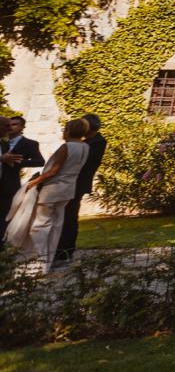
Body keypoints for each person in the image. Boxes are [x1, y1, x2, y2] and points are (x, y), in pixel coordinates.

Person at [6, 117, 90, 273]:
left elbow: (53, 170)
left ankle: (37, 262)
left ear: (69, 130)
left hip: (53, 189)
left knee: (39, 227)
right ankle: (47, 261)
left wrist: (34, 182)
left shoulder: (66, 147)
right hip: (68, 189)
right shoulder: (85, 146)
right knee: (56, 226)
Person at [54, 113, 106, 265]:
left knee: (69, 217)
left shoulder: (96, 142)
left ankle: (65, 251)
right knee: (65, 216)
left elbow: (83, 163)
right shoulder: (86, 142)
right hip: (71, 182)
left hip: (77, 183)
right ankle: (60, 249)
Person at [0, 116, 44, 237]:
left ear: (22, 127)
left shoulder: (30, 143)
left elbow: (40, 161)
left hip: (10, 183)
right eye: (9, 124)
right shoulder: (2, 142)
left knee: (6, 214)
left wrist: (18, 162)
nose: (11, 127)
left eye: (14, 124)